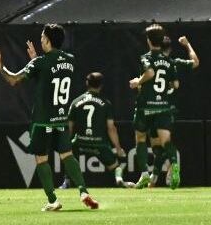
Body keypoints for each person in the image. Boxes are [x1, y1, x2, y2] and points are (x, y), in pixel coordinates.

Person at [0, 24, 99, 211]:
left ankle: (52, 200)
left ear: (48, 40)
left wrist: (1, 67)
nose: (40, 39)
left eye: (42, 37)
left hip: (42, 120)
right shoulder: (70, 60)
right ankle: (83, 191)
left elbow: (13, 80)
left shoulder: (40, 62)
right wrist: (36, 60)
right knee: (67, 155)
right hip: (61, 119)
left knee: (41, 159)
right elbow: (51, 71)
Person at [129, 24, 181, 189]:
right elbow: (176, 84)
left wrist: (138, 81)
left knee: (140, 138)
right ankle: (174, 164)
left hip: (145, 106)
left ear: (149, 41)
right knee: (166, 141)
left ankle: (144, 174)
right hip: (163, 106)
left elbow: (150, 73)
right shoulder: (169, 61)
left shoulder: (146, 57)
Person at [146, 35, 200, 187]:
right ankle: (157, 177)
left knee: (159, 145)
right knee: (161, 147)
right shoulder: (174, 63)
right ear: (169, 49)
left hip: (154, 108)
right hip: (167, 109)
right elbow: (195, 62)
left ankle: (155, 177)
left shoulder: (150, 62)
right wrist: (187, 44)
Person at [64, 72, 134, 188]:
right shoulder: (105, 103)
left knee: (67, 156)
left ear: (87, 83)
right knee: (118, 165)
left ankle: (66, 181)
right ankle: (119, 178)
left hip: (80, 141)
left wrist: (66, 144)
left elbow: (69, 126)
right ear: (101, 85)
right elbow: (111, 128)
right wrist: (117, 147)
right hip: (99, 143)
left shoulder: (76, 102)